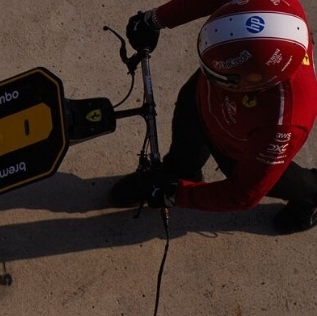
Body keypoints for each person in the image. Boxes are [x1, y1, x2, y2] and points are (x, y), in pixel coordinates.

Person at [114, 0, 317, 232]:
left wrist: (175, 194)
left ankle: (312, 198)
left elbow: (243, 193)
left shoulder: (284, 121)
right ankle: (181, 170)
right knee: (187, 126)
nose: (208, 75)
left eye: (220, 78)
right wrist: (155, 20)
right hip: (204, 101)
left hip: (238, 147)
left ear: (259, 83)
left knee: (275, 180)